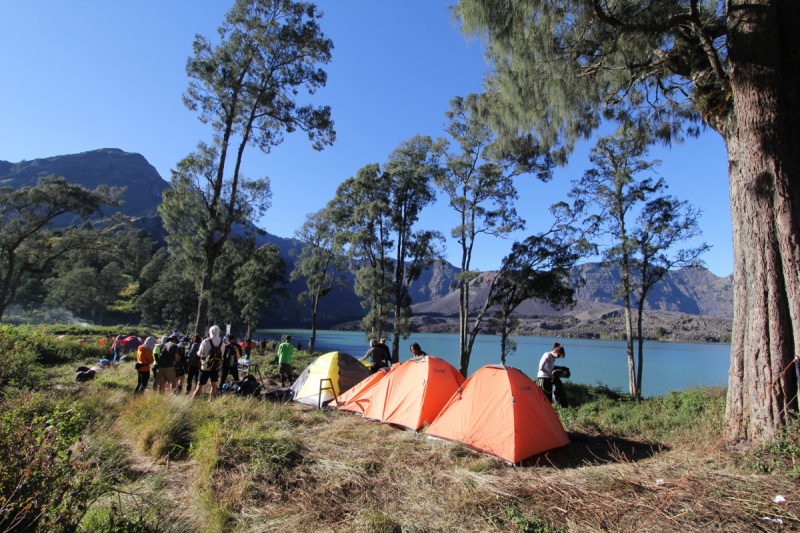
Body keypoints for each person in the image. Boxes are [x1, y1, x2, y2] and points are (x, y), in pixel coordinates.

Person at [193, 326, 224, 400]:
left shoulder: (206, 341)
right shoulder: (222, 343)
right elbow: (222, 354)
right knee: (214, 385)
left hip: (205, 367)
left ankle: (193, 402)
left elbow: (200, 354)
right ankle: (211, 400)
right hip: (215, 367)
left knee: (199, 386)